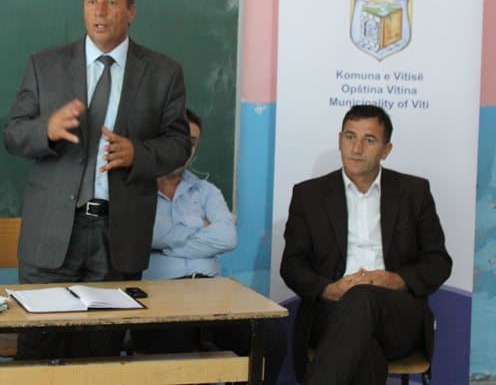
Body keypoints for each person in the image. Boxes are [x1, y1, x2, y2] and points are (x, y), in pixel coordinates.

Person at [4, 0, 191, 358]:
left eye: (110, 2)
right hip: (52, 234)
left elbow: (178, 145)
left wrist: (139, 154)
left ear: (131, 11)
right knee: (38, 355)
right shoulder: (45, 65)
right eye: (91, 1)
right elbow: (14, 135)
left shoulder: (163, 72)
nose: (100, 11)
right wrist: (46, 129)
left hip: (117, 236)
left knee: (100, 357)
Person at [280, 105, 452, 384]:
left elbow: (438, 262)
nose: (356, 149)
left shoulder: (414, 192)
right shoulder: (308, 195)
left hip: (397, 315)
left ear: (386, 150)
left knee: (362, 297)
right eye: (350, 137)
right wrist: (328, 289)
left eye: (369, 140)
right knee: (365, 353)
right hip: (330, 312)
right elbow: (292, 265)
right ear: (339, 140)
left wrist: (396, 280)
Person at [135, 108, 285, 385]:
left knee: (272, 338)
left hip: (211, 293)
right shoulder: (134, 189)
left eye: (192, 142)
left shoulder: (207, 191)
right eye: (179, 139)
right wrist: (199, 224)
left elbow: (227, 238)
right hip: (158, 298)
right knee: (177, 350)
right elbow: (145, 234)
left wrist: (165, 245)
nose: (185, 148)